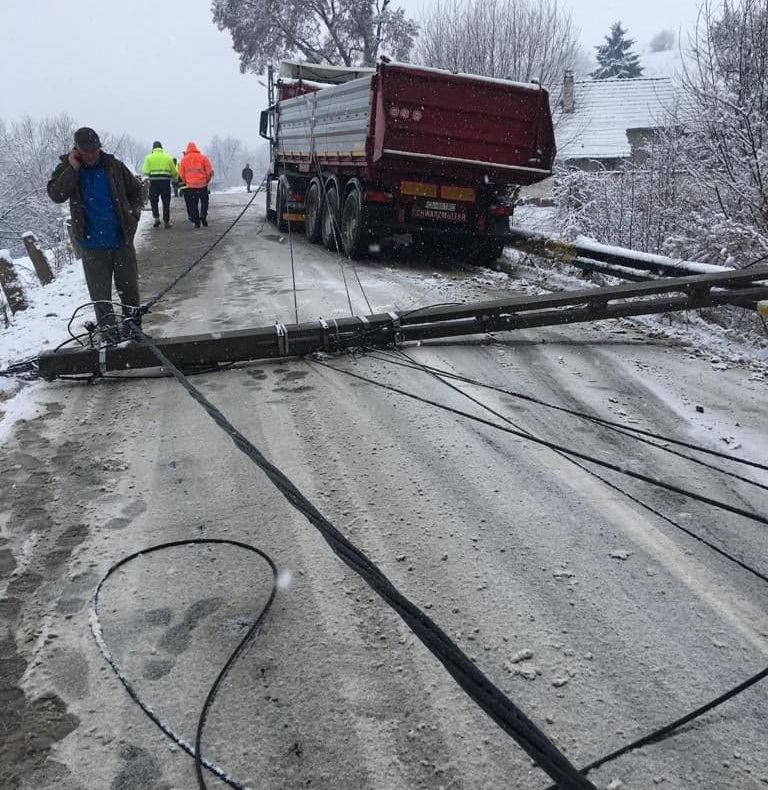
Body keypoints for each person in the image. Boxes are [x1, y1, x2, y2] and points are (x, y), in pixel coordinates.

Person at [47, 127, 143, 339]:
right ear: (76, 150)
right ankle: (110, 338)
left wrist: (133, 215)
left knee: (130, 293)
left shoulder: (114, 166)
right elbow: (56, 194)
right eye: (86, 151)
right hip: (92, 246)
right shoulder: (67, 169)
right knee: (101, 298)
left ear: (99, 147)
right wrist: (72, 168)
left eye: (94, 150)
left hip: (121, 241)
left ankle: (135, 334)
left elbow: (137, 191)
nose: (91, 155)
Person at [141, 141, 178, 228]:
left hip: (154, 183)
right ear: (161, 148)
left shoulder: (148, 157)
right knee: (166, 202)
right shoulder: (167, 157)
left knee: (154, 201)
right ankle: (166, 221)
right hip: (165, 183)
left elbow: (145, 171)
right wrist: (174, 179)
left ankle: (156, 218)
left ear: (153, 148)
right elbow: (174, 172)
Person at [178, 141, 213, 228]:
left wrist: (186, 182)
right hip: (202, 185)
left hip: (191, 186)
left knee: (193, 204)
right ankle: (203, 215)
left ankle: (197, 221)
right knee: (204, 201)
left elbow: (181, 174)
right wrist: (206, 180)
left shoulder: (184, 160)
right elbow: (209, 171)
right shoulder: (203, 158)